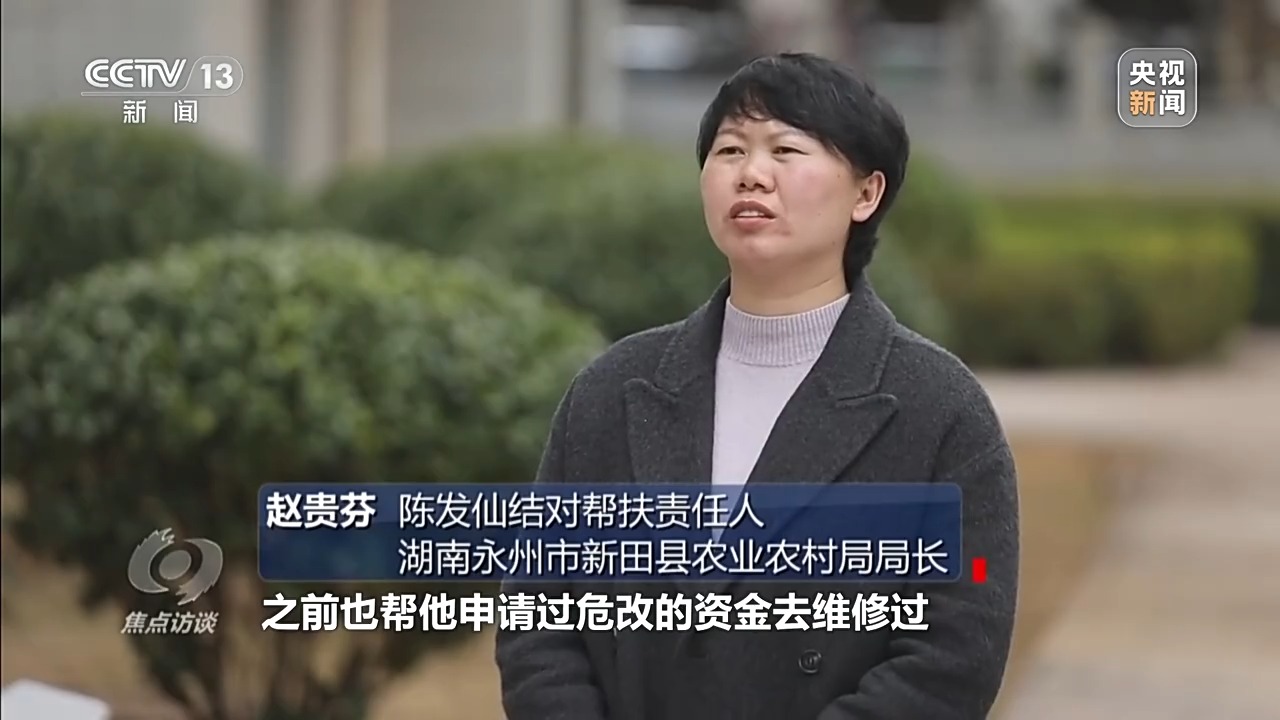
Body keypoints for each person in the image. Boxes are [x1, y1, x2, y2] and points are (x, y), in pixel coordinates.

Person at [495, 52, 1019, 720]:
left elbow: (953, 657)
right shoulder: (614, 389)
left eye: (786, 149)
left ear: (866, 194)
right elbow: (537, 614)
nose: (751, 173)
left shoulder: (938, 408)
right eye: (730, 150)